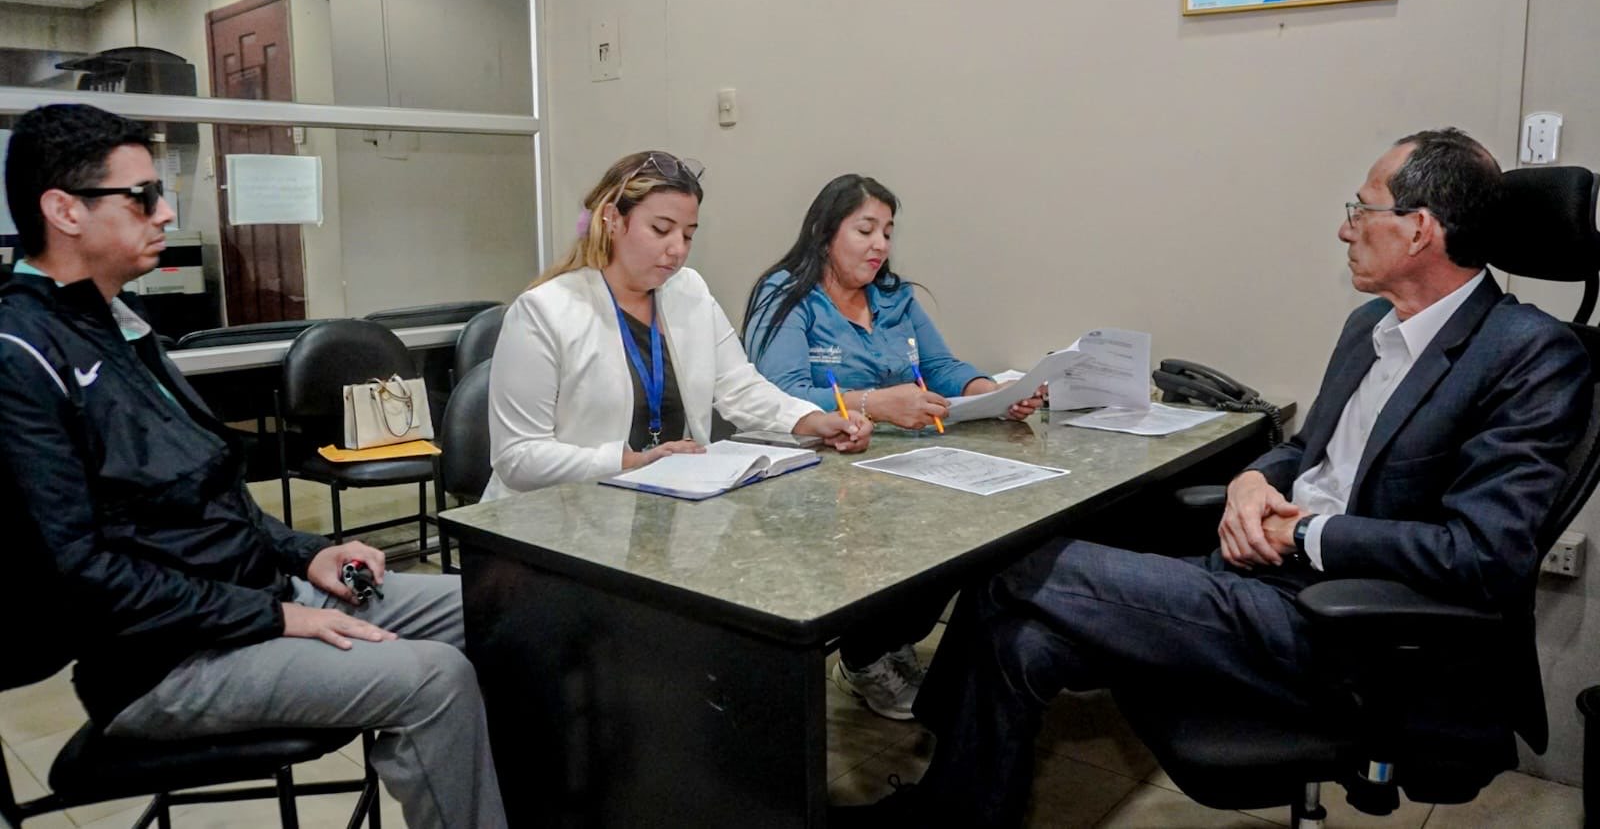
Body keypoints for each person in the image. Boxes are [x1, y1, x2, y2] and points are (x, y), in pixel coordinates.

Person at [839, 129, 1593, 826]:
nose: (1345, 230)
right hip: (1259, 576)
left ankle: (933, 758)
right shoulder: (1371, 326)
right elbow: (1312, 452)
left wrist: (1307, 533)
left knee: (1006, 562)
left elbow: (1484, 555)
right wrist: (1253, 481)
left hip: (1344, 623)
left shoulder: (1529, 355)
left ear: (1420, 229)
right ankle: (951, 814)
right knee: (1020, 640)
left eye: (1361, 211)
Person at [0, 104, 506, 828]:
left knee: (514, 611)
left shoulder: (118, 326)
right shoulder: (20, 356)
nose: (166, 213)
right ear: (64, 211)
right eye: (142, 196)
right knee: (435, 677)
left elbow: (213, 499)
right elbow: (82, 576)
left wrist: (310, 552)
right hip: (164, 663)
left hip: (256, 602)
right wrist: (274, 616)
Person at [741, 174, 1043, 721]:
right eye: (866, 230)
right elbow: (779, 396)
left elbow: (941, 367)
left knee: (969, 537)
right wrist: (877, 404)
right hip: (824, 472)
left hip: (906, 463)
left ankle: (889, 642)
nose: (880, 244)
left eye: (887, 231)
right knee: (886, 545)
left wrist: (993, 393)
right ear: (825, 232)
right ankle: (864, 657)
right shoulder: (787, 295)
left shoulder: (894, 296)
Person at [482, 151, 870, 500]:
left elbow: (741, 387)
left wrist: (813, 421)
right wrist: (630, 462)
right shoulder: (544, 311)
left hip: (662, 507)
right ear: (613, 220)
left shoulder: (689, 292)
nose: (678, 249)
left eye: (688, 235)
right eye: (661, 229)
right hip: (553, 521)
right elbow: (517, 457)